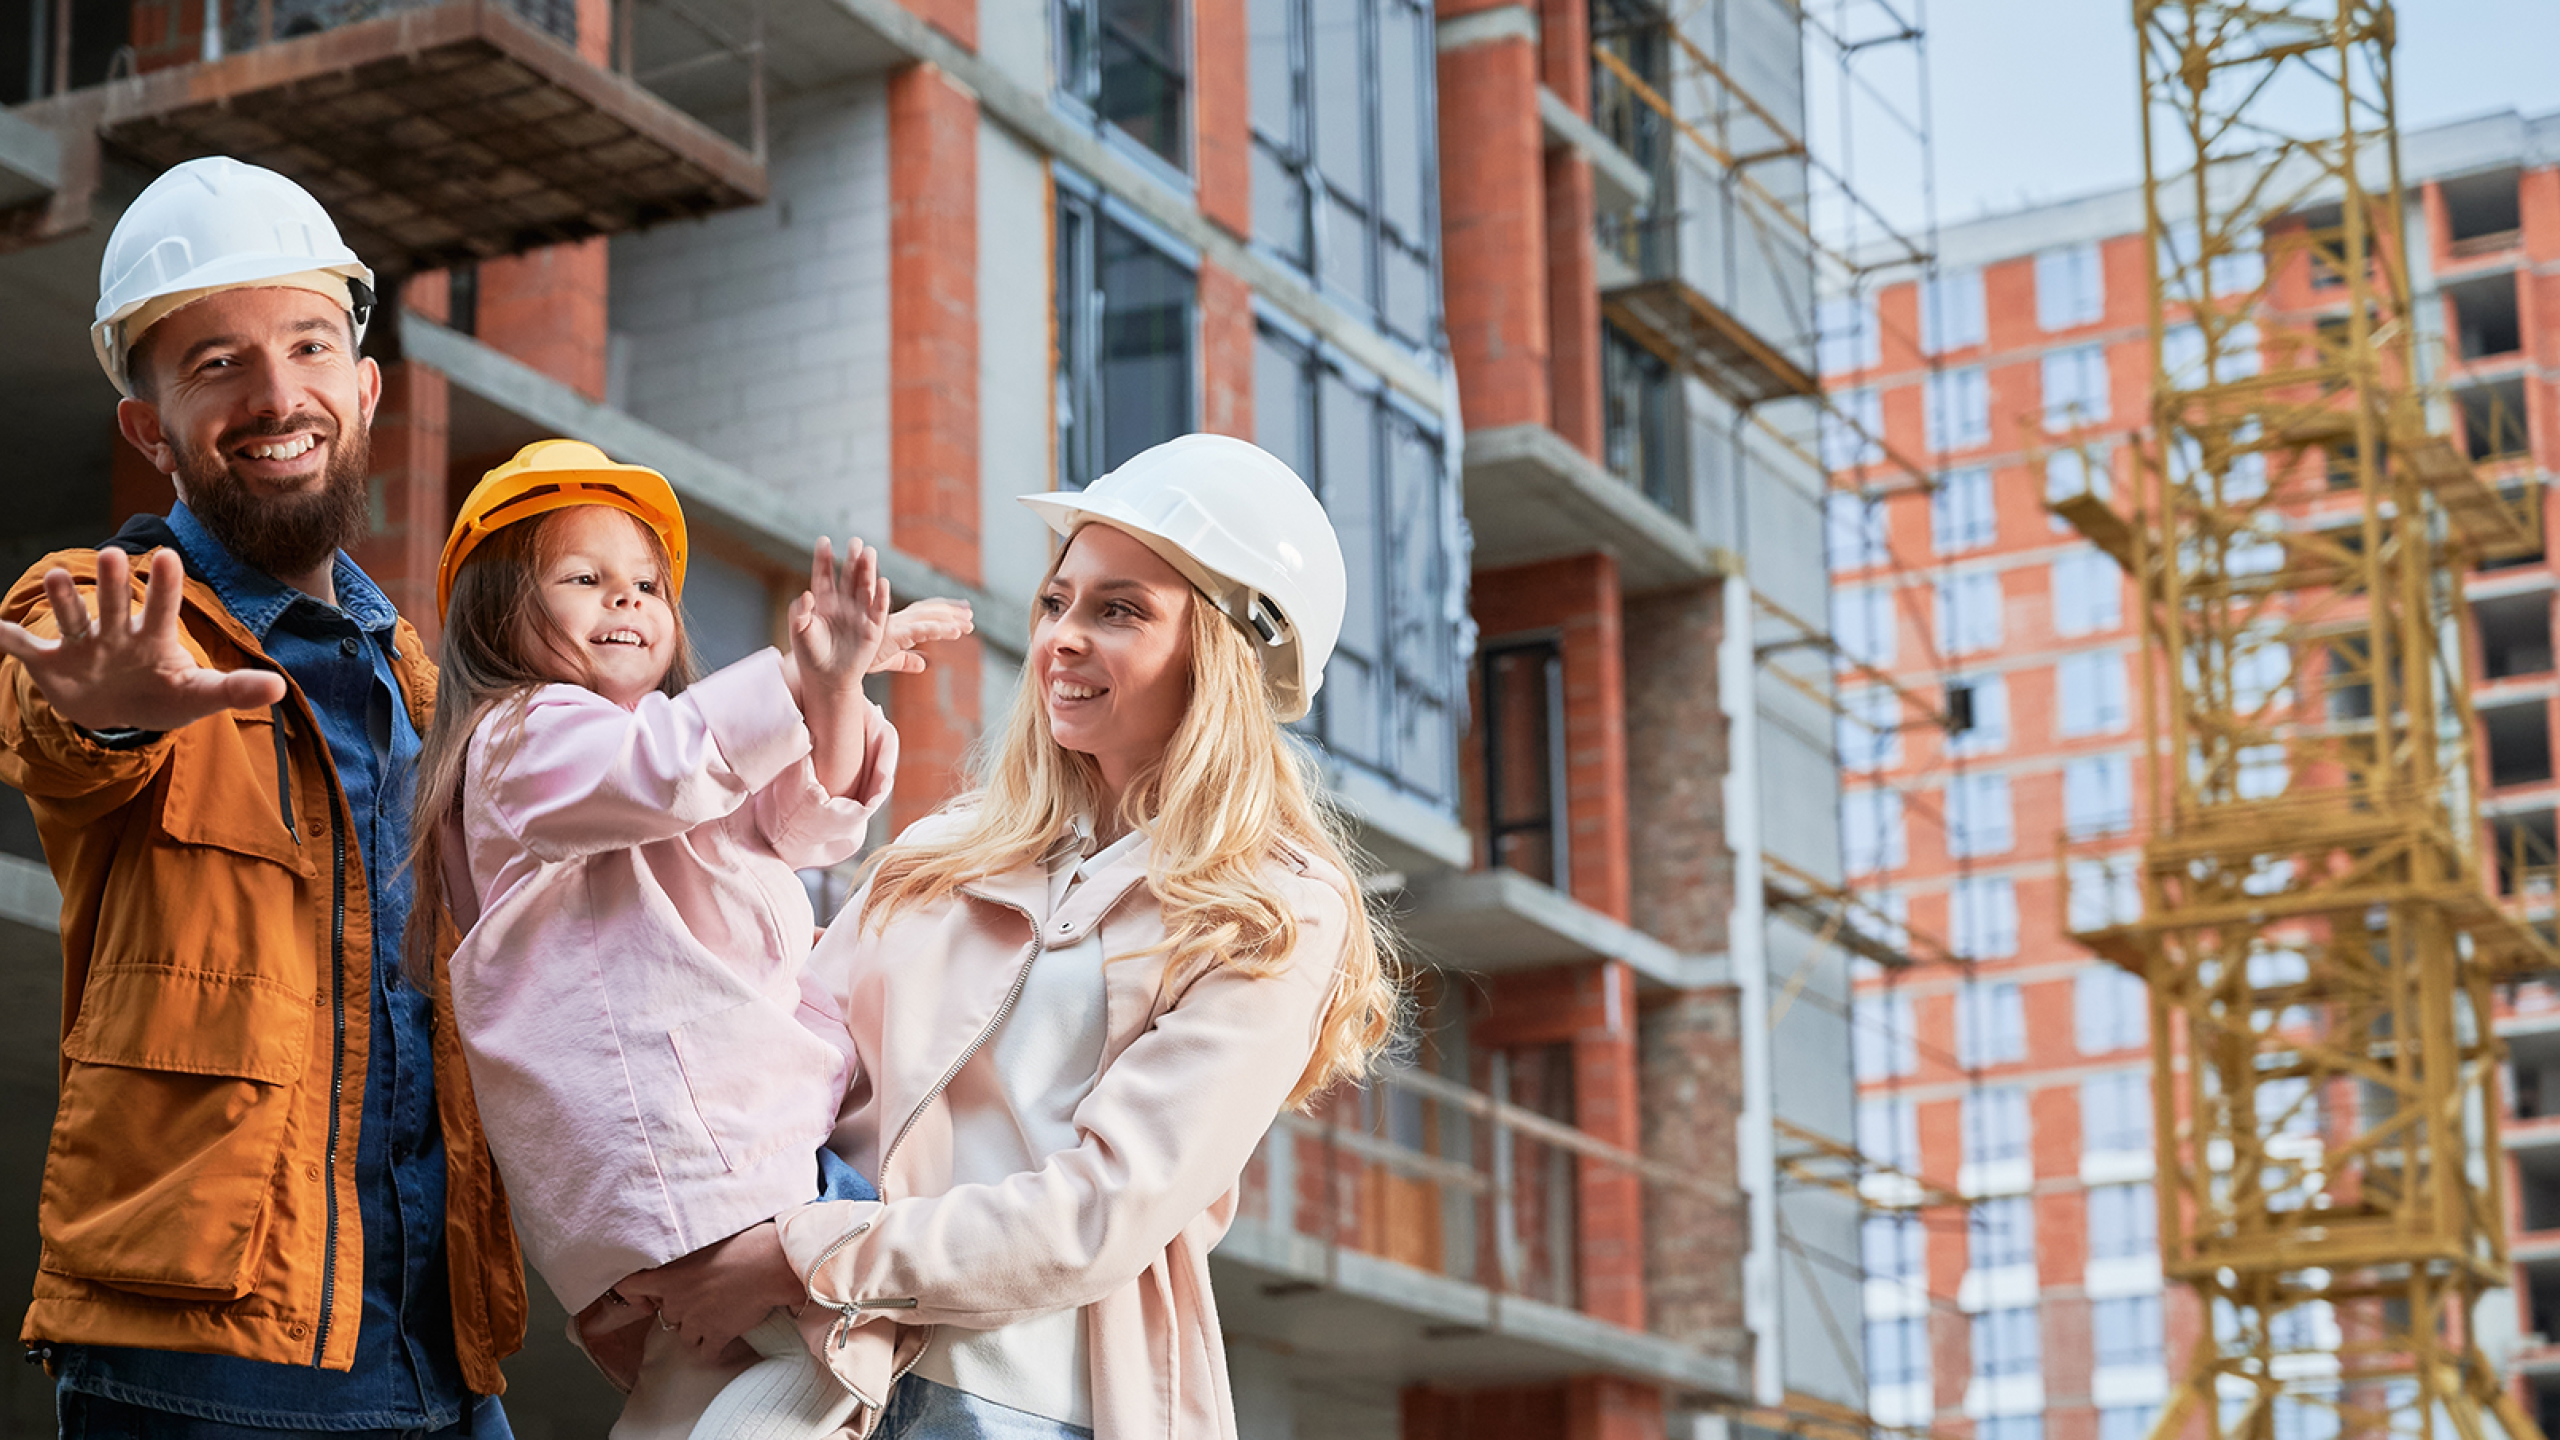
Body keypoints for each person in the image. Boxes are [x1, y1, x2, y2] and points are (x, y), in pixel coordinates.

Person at [619, 434, 1402, 1440]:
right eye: (1056, 601)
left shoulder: (1271, 907)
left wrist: (796, 1254)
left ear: (1224, 649)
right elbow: (787, 1051)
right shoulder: (949, 849)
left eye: (1118, 609)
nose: (1061, 638)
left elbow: (1099, 1212)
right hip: (815, 1373)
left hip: (1028, 1402)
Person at [0, 155, 524, 1435]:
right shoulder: (97, 609)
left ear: (364, 385)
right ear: (150, 428)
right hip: (204, 1359)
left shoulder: (417, 674)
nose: (278, 395)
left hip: (442, 1348)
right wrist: (119, 699)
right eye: (218, 364)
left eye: (305, 347)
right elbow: (53, 711)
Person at [414, 439, 968, 1439]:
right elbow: (659, 773)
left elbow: (808, 820)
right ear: (496, 611)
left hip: (725, 1166)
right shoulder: (523, 740)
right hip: (701, 1169)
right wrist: (801, 675)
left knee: (698, 1393)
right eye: (583, 579)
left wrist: (836, 688)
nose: (625, 602)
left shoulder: (681, 749)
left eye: (645, 584)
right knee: (836, 1361)